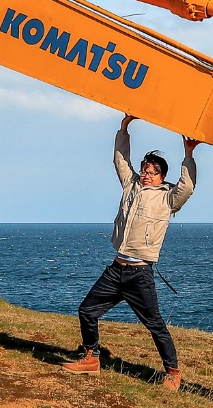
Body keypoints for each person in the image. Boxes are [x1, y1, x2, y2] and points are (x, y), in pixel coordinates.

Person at [60, 115, 198, 390]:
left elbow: (188, 187)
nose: (146, 174)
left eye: (153, 171)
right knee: (87, 311)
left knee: (155, 325)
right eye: (145, 169)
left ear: (162, 176)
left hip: (139, 274)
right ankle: (91, 357)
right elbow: (120, 160)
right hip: (116, 269)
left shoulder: (168, 198)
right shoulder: (131, 186)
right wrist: (124, 128)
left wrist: (188, 154)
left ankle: (173, 373)